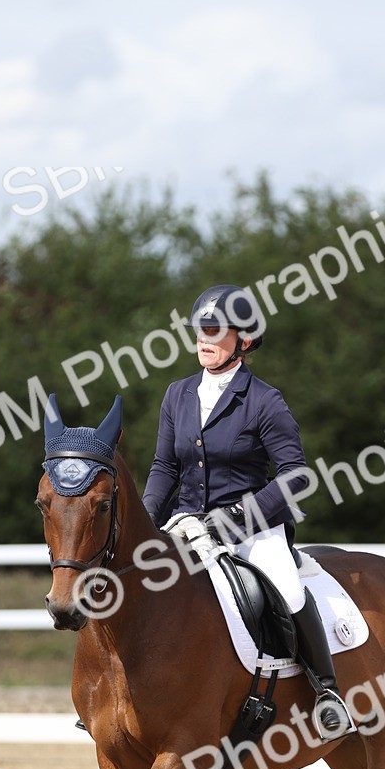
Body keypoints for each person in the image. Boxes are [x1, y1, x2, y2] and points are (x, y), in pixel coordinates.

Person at [142, 283, 354, 739]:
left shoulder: (263, 400)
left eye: (214, 330)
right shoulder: (177, 395)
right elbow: (164, 467)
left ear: (244, 338)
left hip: (252, 530)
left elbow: (296, 475)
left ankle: (327, 692)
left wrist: (239, 518)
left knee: (289, 591)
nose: (203, 338)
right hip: (187, 526)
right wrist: (144, 522)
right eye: (198, 329)